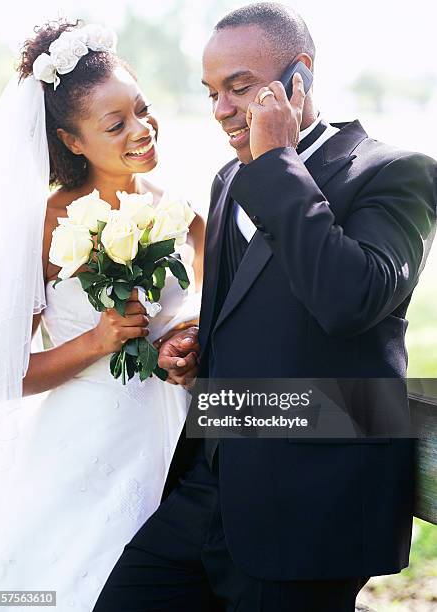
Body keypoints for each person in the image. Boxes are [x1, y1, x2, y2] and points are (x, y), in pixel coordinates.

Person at [93, 3, 437, 612]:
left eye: (239, 87)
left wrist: (277, 162)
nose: (221, 109)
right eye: (212, 92)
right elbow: (243, 308)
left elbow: (349, 300)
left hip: (312, 506)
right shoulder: (229, 180)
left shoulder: (397, 174)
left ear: (298, 77)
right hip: (213, 483)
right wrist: (198, 351)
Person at [0, 18, 205, 612]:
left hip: (175, 442)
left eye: (143, 109)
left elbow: (208, 315)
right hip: (80, 451)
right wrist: (96, 341)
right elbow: (6, 374)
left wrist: (187, 339)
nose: (142, 129)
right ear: (72, 140)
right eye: (117, 124)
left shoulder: (183, 215)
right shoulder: (40, 228)